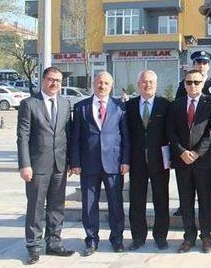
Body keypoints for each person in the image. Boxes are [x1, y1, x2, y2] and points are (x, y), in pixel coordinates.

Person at [17, 66, 74, 265]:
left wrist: (71, 162)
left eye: (58, 81)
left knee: (57, 206)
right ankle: (33, 247)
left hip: (59, 164)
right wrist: (25, 164)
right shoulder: (29, 104)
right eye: (51, 79)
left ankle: (54, 243)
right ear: (43, 80)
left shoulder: (66, 104)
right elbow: (22, 137)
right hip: (37, 166)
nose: (54, 84)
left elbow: (68, 135)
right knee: (36, 207)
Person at [69, 71, 130, 256]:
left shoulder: (120, 107)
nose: (102, 86)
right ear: (93, 84)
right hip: (88, 165)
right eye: (99, 83)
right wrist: (75, 163)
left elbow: (126, 138)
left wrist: (126, 161)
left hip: (113, 164)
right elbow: (75, 139)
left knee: (116, 205)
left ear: (111, 86)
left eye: (106, 83)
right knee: (88, 205)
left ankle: (117, 240)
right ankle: (91, 240)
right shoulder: (81, 107)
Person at [167, 70, 211, 254]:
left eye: (197, 82)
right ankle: (189, 237)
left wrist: (197, 153)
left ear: (202, 83)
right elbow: (170, 132)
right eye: (189, 82)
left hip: (204, 161)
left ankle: (206, 237)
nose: (193, 85)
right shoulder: (176, 105)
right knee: (186, 201)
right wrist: (181, 152)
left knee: (206, 201)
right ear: (184, 84)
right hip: (182, 162)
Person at [125, 70, 172, 251]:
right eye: (144, 82)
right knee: (137, 201)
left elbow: (171, 133)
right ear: (139, 85)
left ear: (156, 84)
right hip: (136, 161)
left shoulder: (165, 105)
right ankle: (138, 237)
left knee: (161, 200)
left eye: (151, 82)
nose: (148, 85)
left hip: (159, 160)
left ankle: (160, 237)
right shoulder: (129, 106)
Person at [175, 50, 211, 217]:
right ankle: (183, 206)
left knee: (209, 183)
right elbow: (178, 110)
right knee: (186, 185)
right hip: (185, 144)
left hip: (205, 146)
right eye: (198, 62)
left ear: (208, 66)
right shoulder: (184, 83)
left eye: (204, 63)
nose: (201, 65)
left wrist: (200, 150)